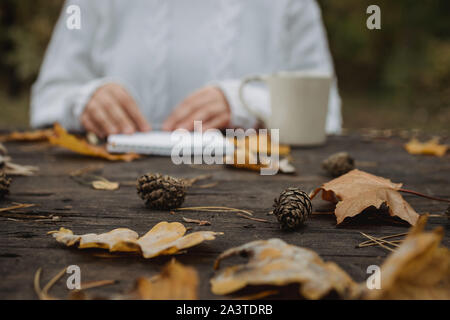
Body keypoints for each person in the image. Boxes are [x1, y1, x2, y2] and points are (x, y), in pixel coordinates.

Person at [31, 0, 341, 138]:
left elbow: (326, 115)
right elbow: (48, 100)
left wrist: (246, 104)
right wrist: (85, 100)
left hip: (256, 206)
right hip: (101, 204)